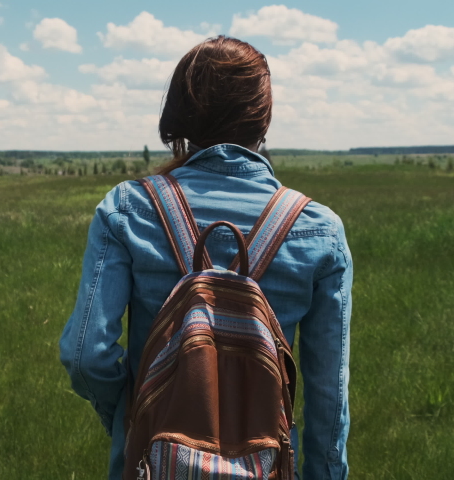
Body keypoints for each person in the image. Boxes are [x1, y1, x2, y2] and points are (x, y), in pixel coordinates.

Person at [59, 36, 353, 480]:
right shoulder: (319, 229)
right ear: (264, 118)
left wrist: (130, 417)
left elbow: (86, 356)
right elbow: (329, 399)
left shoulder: (127, 208)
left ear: (178, 114)